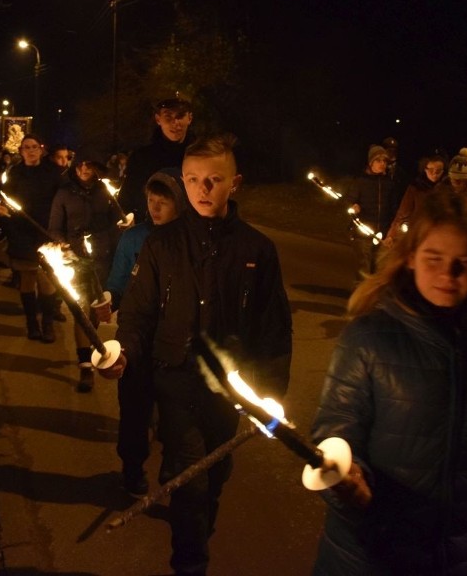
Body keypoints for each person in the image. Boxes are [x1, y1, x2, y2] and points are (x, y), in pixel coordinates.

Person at [310, 188, 467, 575]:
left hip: (457, 560)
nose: (449, 274)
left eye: (464, 262)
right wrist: (348, 477)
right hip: (370, 557)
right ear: (410, 257)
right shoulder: (370, 338)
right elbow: (336, 428)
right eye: (434, 259)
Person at [108, 134, 292, 575]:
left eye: (214, 180)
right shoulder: (162, 244)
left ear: (235, 183)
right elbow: (139, 315)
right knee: (189, 476)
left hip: (228, 388)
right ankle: (190, 564)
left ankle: (198, 533)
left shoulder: (257, 250)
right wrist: (123, 352)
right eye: (192, 180)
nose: (202, 189)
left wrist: (268, 398)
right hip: (175, 380)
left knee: (215, 474)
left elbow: (273, 330)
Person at [93, 171, 186, 496]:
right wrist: (109, 299)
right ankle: (132, 469)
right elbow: (118, 280)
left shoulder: (187, 241)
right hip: (135, 336)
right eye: (151, 201)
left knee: (176, 417)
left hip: (173, 342)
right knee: (134, 411)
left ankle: (172, 475)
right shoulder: (134, 239)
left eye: (164, 202)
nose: (156, 208)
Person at [48, 148, 124, 392]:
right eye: (80, 165)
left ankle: (92, 347)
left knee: (96, 311)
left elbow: (116, 222)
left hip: (102, 259)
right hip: (76, 259)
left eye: (89, 166)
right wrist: (63, 244)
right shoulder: (63, 193)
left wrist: (123, 228)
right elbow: (55, 227)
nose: (83, 170)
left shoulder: (104, 192)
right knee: (81, 311)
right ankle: (85, 365)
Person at [0, 135, 65, 342]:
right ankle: (32, 323)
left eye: (35, 147)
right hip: (22, 233)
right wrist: (2, 208)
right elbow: (6, 198)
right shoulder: (15, 173)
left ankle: (48, 324)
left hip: (47, 233)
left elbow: (63, 200)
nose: (31, 150)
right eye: (27, 147)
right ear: (21, 151)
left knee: (47, 281)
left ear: (41, 150)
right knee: (27, 279)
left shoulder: (54, 173)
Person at [118, 97, 194, 222]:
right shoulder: (141, 158)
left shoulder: (201, 158)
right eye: (168, 116)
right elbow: (127, 199)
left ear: (189, 118)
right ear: (158, 119)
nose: (175, 122)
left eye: (180, 116)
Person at [345, 144, 395, 280]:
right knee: (364, 271)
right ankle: (360, 299)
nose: (382, 164)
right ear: (371, 162)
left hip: (382, 234)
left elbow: (393, 207)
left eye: (384, 161)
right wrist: (354, 206)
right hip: (363, 232)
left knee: (378, 271)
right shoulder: (361, 181)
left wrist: (391, 231)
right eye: (378, 160)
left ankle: (373, 299)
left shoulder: (389, 183)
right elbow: (348, 200)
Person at [384, 153, 446, 245]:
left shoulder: (446, 189)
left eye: (439, 170)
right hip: (419, 235)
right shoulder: (416, 188)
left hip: (440, 236)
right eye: (431, 169)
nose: (434, 173)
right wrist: (392, 234)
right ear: (425, 169)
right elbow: (403, 212)